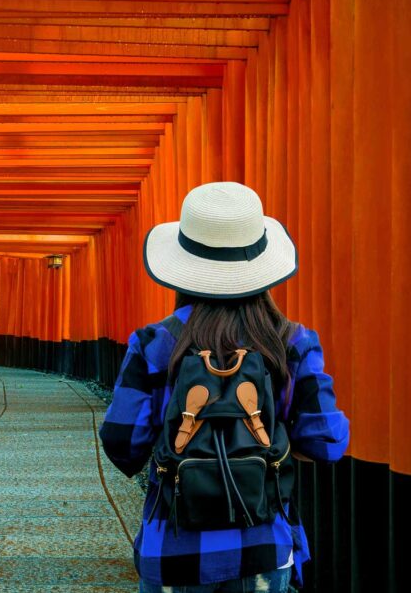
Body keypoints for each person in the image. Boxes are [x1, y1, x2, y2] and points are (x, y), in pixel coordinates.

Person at [98, 182, 350, 593]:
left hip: (171, 548)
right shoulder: (293, 342)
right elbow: (327, 442)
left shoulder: (154, 343)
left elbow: (122, 442)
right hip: (264, 549)